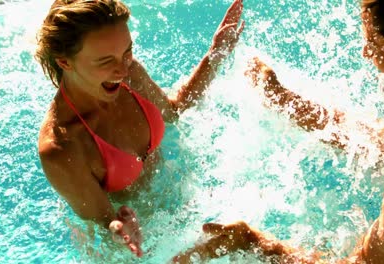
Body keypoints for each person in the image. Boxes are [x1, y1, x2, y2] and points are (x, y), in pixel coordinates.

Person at [172, 0, 384, 263]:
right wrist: (283, 99)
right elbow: (378, 137)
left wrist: (255, 242)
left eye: (375, 45)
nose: (365, 54)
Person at [35, 0, 244, 258]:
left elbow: (174, 111)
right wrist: (118, 228)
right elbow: (101, 226)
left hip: (177, 211)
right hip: (131, 250)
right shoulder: (63, 146)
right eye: (106, 61)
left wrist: (216, 54)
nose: (122, 69)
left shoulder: (129, 73)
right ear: (65, 62)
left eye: (127, 51)